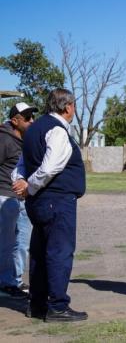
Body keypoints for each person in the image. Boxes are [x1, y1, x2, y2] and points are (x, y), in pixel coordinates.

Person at [12, 89, 87, 322]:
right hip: (56, 199)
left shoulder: (32, 129)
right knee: (59, 252)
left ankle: (37, 304)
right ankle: (57, 306)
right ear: (67, 107)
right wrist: (29, 186)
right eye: (73, 105)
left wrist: (21, 182)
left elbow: (20, 166)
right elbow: (50, 167)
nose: (74, 109)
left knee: (40, 253)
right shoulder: (57, 129)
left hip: (40, 202)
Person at [0, 103, 36, 299]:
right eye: (27, 117)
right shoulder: (3, 139)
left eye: (32, 117)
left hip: (24, 198)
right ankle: (5, 281)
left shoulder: (27, 140)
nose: (32, 121)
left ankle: (15, 279)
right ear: (15, 121)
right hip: (6, 196)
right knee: (6, 242)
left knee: (23, 242)